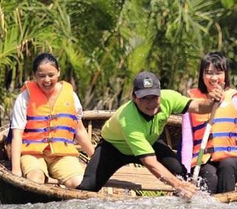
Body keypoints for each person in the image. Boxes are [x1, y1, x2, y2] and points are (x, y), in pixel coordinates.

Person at [76, 71, 223, 198]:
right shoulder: (128, 121)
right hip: (115, 148)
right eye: (144, 98)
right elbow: (151, 163)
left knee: (180, 172)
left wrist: (211, 102)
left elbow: (197, 106)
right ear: (134, 98)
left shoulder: (169, 98)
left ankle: (185, 198)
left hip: (150, 141)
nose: (151, 103)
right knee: (87, 187)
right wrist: (177, 184)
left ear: (160, 93)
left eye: (154, 97)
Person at [9, 53, 95, 188]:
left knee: (78, 183)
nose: (47, 80)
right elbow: (17, 135)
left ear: (58, 72)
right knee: (35, 179)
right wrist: (16, 169)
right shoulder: (25, 97)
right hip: (33, 153)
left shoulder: (71, 96)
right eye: (41, 76)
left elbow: (80, 131)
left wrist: (95, 159)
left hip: (62, 154)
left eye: (51, 75)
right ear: (34, 75)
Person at [179, 52, 237, 194]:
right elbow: (187, 142)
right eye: (209, 73)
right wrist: (185, 176)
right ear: (202, 75)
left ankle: (227, 207)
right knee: (210, 176)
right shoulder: (191, 104)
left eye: (219, 73)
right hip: (203, 161)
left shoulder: (236, 102)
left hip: (230, 160)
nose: (214, 78)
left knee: (227, 167)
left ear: (225, 75)